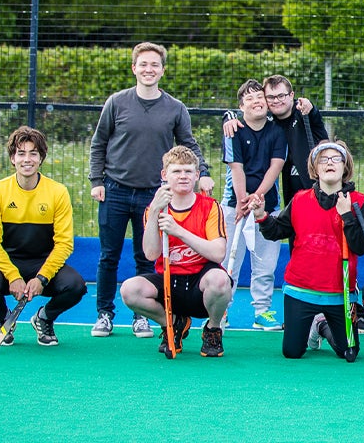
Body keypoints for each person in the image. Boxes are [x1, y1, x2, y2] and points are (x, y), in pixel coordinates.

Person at [89, 41, 214, 338]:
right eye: (143, 64)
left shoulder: (175, 108)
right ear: (134, 68)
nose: (149, 69)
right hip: (115, 190)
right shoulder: (116, 102)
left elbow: (188, 144)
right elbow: (99, 143)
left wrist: (204, 173)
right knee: (108, 255)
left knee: (146, 257)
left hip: (153, 195)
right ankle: (104, 314)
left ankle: (141, 317)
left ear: (162, 70)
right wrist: (96, 181)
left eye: (154, 65)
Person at [252, 142, 364, 360]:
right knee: (292, 352)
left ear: (345, 167)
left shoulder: (358, 202)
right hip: (300, 289)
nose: (329, 163)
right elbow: (276, 231)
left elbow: (360, 247)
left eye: (336, 159)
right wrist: (261, 216)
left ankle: (321, 326)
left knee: (349, 353)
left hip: (340, 294)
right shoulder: (300, 199)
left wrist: (346, 216)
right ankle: (312, 324)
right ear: (315, 168)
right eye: (323, 159)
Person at [0, 126, 86, 347]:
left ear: (41, 158)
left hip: (43, 263)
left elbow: (64, 244)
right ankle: (4, 320)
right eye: (21, 153)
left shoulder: (58, 192)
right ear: (12, 158)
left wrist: (42, 278)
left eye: (33, 153)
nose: (27, 159)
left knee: (76, 286)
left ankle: (44, 318)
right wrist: (13, 276)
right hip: (8, 263)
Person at [120, 145, 232, 357]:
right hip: (169, 281)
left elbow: (218, 253)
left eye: (188, 171)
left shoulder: (210, 206)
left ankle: (213, 329)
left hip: (200, 283)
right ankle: (173, 322)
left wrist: (178, 231)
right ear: (165, 175)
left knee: (220, 280)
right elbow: (151, 254)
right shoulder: (155, 209)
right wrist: (154, 211)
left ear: (197, 175)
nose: (183, 176)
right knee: (129, 290)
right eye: (177, 171)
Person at [221, 79, 287, 330]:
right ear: (241, 106)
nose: (256, 102)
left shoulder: (277, 132)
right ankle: (221, 310)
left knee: (266, 264)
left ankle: (262, 311)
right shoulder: (233, 130)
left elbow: (275, 167)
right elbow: (236, 168)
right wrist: (242, 201)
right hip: (234, 205)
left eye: (260, 97)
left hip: (267, 206)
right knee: (228, 262)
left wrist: (257, 197)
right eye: (249, 98)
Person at [224, 75, 330, 210]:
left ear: (291, 95)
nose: (276, 101)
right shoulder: (271, 122)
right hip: (291, 189)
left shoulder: (303, 112)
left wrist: (310, 105)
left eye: (281, 96)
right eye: (271, 97)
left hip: (318, 187)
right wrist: (229, 117)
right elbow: (248, 111)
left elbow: (314, 115)